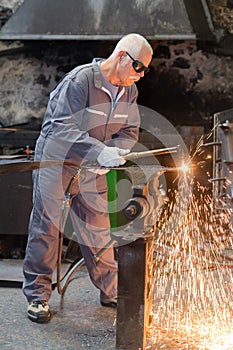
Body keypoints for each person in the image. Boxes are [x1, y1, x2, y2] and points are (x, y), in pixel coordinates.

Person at [23, 33, 153, 323]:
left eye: (145, 71)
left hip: (94, 167)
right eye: (137, 68)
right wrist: (99, 151)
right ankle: (38, 296)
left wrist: (114, 153)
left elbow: (129, 132)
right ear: (121, 56)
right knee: (48, 225)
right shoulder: (80, 81)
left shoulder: (128, 90)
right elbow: (60, 128)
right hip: (58, 161)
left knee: (98, 227)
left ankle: (112, 290)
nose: (139, 76)